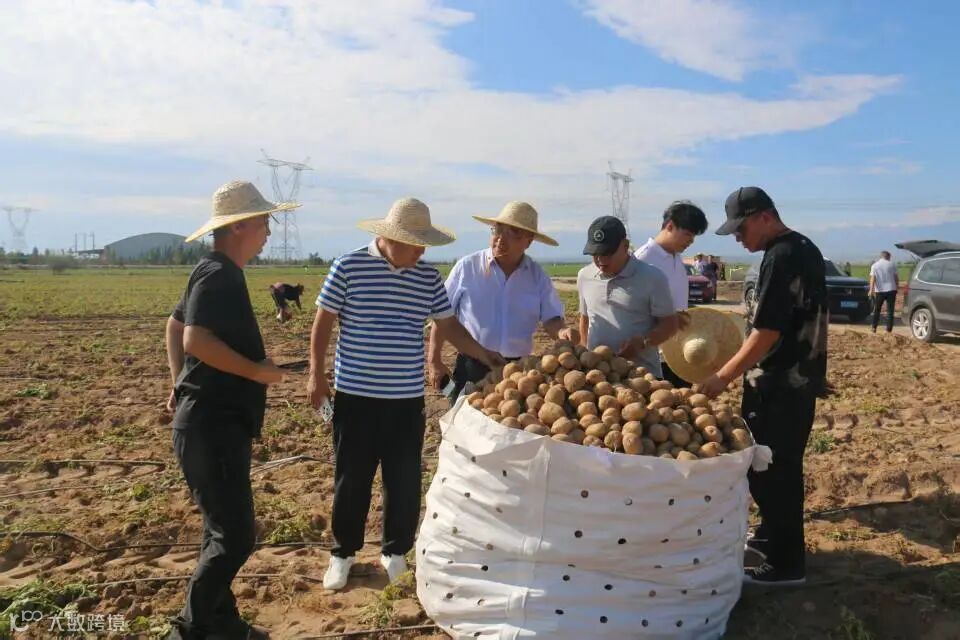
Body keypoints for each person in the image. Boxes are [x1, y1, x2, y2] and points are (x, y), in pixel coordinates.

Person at [306, 197, 504, 591]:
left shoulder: (427, 277)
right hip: (356, 396)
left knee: (404, 480)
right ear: (392, 239)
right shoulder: (348, 266)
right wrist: (316, 374)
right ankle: (343, 554)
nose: (422, 252)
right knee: (352, 479)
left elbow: (448, 326)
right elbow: (323, 320)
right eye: (416, 245)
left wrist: (483, 354)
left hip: (406, 400)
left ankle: (395, 553)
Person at [164, 180, 288, 640]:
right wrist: (257, 372)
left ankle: (221, 622)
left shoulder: (214, 270)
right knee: (235, 537)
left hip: (210, 423)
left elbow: (175, 325)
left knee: (219, 531)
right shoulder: (219, 274)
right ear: (239, 227)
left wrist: (178, 381)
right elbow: (195, 339)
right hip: (213, 425)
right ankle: (191, 630)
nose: (269, 232)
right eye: (264, 222)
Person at [695, 186, 827, 586]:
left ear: (764, 217)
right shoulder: (805, 248)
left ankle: (786, 566)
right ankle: (772, 536)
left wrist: (721, 377)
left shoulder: (780, 256)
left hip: (778, 385)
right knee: (776, 466)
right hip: (797, 382)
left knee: (773, 471)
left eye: (741, 229)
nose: (738, 238)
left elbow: (767, 331)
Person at [428, 201, 575, 401]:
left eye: (513, 233)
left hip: (518, 372)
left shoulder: (537, 276)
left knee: (510, 417)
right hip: (472, 363)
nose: (500, 238)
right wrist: (434, 360)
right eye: (497, 230)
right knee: (463, 415)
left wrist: (562, 332)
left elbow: (552, 318)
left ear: (529, 241)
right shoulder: (467, 267)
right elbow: (442, 316)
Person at [576, 216, 679, 376]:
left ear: (625, 246)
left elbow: (670, 324)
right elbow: (585, 318)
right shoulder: (584, 276)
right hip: (599, 376)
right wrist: (585, 354)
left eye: (607, 253)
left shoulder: (652, 277)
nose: (601, 259)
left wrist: (643, 342)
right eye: (595, 253)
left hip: (642, 377)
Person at [634, 201, 708, 384]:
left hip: (678, 353)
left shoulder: (676, 259)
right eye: (688, 234)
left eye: (694, 237)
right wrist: (669, 319)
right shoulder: (644, 259)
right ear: (670, 226)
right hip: (653, 358)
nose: (691, 241)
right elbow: (631, 309)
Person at [869, 250, 899, 333]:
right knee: (890, 311)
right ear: (888, 256)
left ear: (881, 256)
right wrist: (897, 287)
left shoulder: (875, 265)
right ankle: (888, 329)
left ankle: (874, 327)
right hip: (891, 290)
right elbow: (896, 278)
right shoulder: (892, 264)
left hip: (879, 291)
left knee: (877, 309)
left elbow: (873, 278)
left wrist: (871, 290)